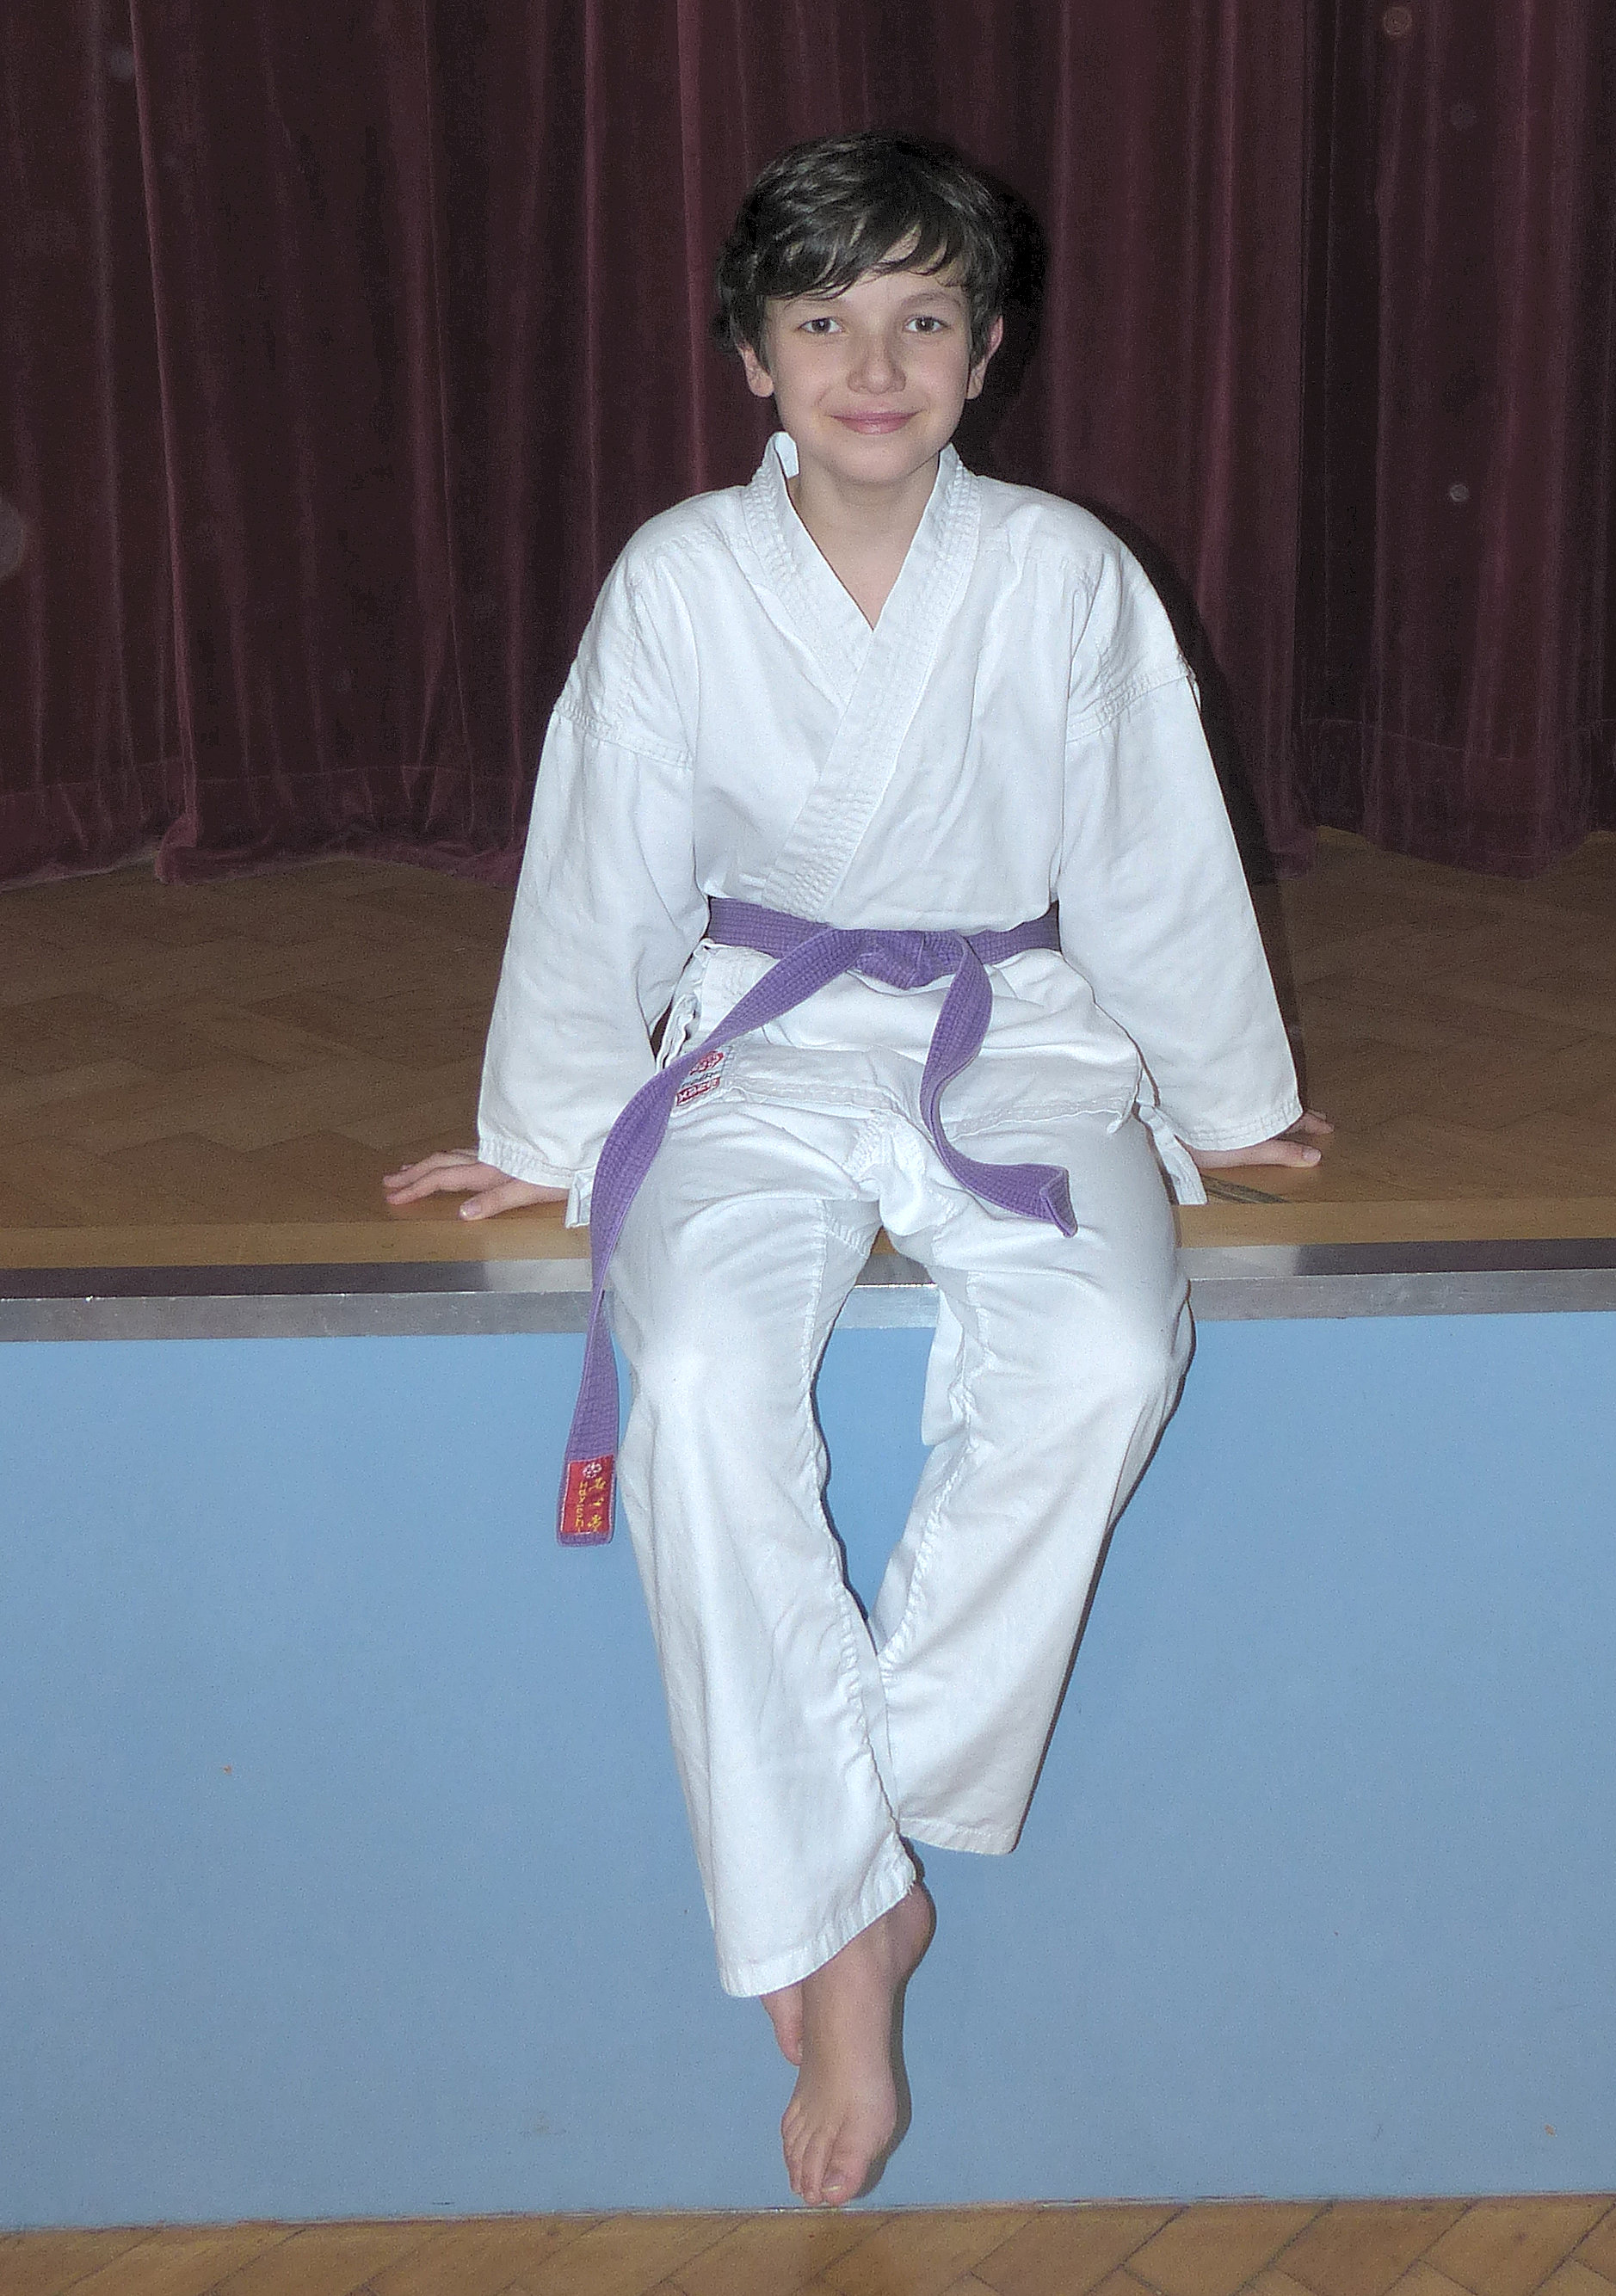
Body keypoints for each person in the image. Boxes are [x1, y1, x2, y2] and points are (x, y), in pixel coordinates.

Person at [385, 131, 1326, 2209]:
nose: (872, 367)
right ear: (754, 356)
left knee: (1107, 1354)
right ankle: (851, 1915)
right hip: (762, 1031)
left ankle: (848, 1861)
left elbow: (1151, 849)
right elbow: (606, 864)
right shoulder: (680, 580)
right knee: (707, 1384)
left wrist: (1221, 1091)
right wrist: (552, 1125)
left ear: (985, 353)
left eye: (921, 320)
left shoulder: (1061, 573)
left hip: (1018, 1023)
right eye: (824, 321)